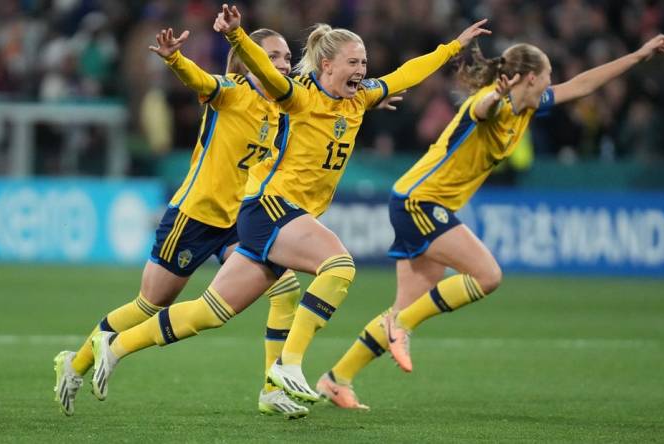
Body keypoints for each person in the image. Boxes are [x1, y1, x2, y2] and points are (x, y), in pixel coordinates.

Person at [87, 3, 491, 408]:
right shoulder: (297, 96)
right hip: (270, 207)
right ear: (327, 65)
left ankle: (118, 346)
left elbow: (407, 74)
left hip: (286, 215)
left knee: (210, 311)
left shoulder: (359, 99)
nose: (363, 70)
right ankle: (289, 366)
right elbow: (262, 70)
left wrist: (453, 46)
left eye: (364, 62)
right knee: (339, 265)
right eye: (353, 62)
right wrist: (235, 36)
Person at [317, 34, 664, 410]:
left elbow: (582, 84)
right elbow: (483, 108)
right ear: (529, 78)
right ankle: (401, 326)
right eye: (547, 76)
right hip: (418, 201)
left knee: (406, 304)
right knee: (488, 275)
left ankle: (336, 379)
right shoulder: (489, 102)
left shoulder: (529, 108)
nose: (552, 84)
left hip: (423, 202)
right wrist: (495, 96)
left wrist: (636, 55)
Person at [54, 27, 310, 418]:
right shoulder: (231, 91)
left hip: (238, 219)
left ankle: (271, 388)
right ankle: (75, 364)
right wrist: (175, 59)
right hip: (194, 215)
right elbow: (199, 80)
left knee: (286, 287)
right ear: (249, 61)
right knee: (151, 303)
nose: (283, 65)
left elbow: (327, 94)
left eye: (286, 57)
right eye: (273, 57)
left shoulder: (282, 106)